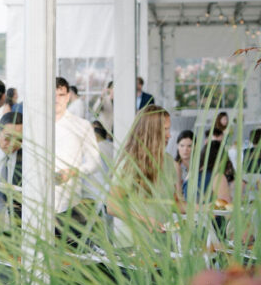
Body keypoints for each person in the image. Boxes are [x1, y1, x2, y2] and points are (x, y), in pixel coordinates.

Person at [107, 105, 174, 236]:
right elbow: (112, 206)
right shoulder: (129, 164)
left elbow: (175, 202)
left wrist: (205, 208)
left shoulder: (169, 161)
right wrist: (146, 220)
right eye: (165, 130)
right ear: (152, 132)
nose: (169, 135)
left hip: (162, 243)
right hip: (134, 244)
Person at [54, 76, 101, 244]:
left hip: (70, 203)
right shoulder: (36, 125)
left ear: (68, 96)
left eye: (60, 94)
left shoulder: (81, 125)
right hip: (37, 202)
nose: (56, 99)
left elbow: (94, 161)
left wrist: (74, 171)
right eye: (52, 95)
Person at [0, 111, 23, 228]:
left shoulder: (28, 161)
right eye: (7, 138)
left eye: (19, 139)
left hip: (18, 228)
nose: (12, 144)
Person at [174, 130, 194, 200]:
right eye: (182, 146)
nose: (185, 149)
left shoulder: (198, 166)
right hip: (181, 205)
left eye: (189, 146)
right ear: (177, 146)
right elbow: (178, 193)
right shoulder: (175, 165)